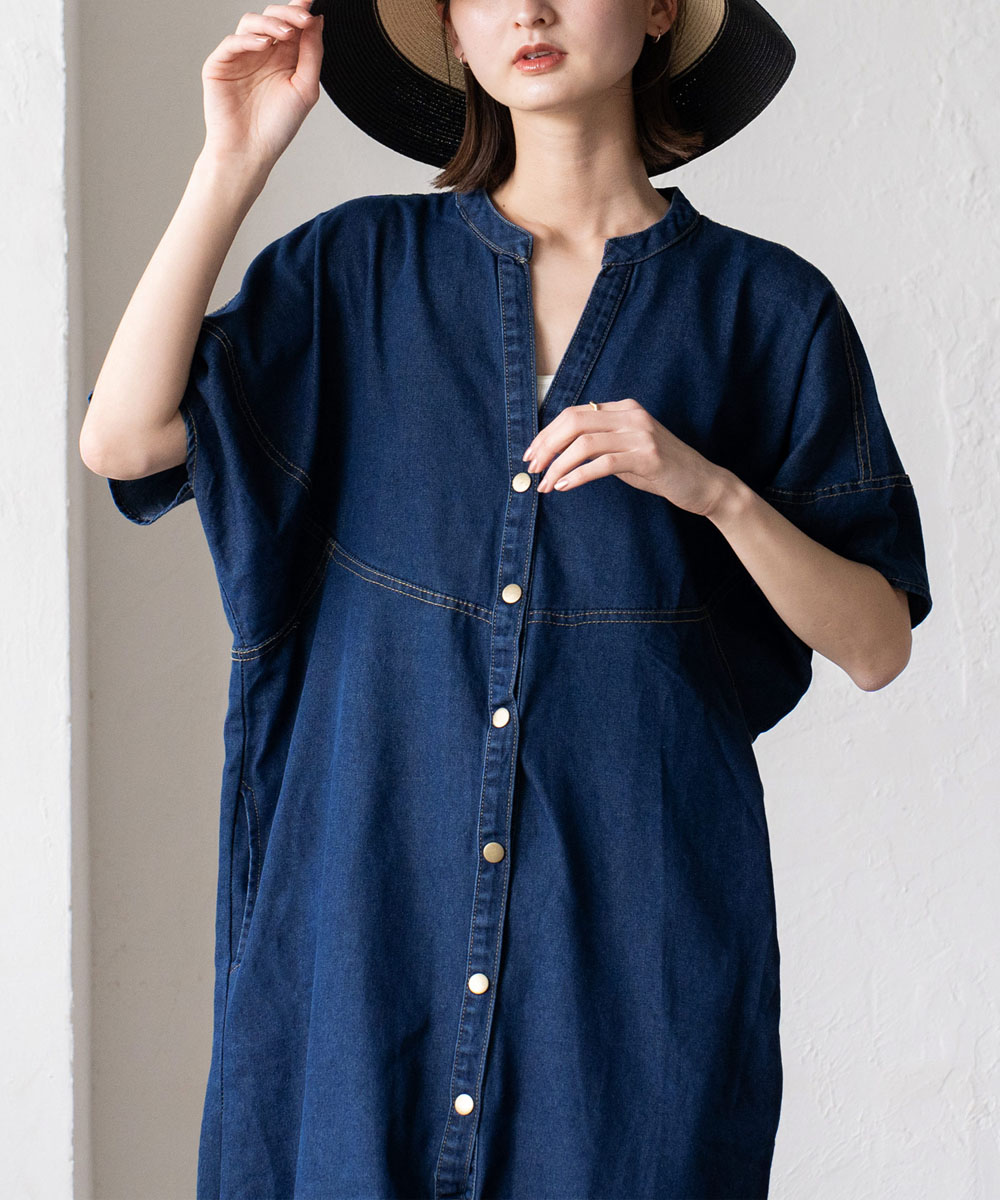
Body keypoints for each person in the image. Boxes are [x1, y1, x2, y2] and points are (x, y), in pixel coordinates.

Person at [80, 1, 933, 1197]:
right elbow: (124, 442)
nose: (525, 10)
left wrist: (713, 491)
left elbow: (877, 642)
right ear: (451, 30)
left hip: (623, 997)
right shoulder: (355, 271)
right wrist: (231, 163)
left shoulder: (767, 310)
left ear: (659, 10)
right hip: (365, 957)